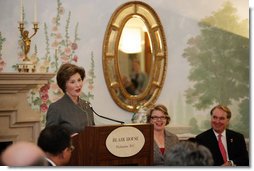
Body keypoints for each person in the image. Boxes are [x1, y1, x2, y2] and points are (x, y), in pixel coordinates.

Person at [46, 63, 95, 134]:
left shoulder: (87, 105)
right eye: (72, 82)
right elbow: (49, 139)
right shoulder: (56, 108)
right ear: (64, 85)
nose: (78, 85)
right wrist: (66, 139)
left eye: (79, 80)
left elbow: (93, 132)